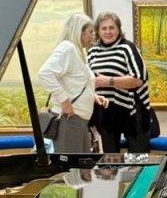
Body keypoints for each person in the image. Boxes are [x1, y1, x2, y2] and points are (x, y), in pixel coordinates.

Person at [38, 12, 107, 153]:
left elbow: (74, 82)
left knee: (81, 164)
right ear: (79, 31)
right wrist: (64, 101)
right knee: (71, 165)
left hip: (79, 121)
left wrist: (93, 96)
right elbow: (44, 73)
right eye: (90, 32)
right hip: (69, 120)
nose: (92, 36)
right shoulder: (67, 48)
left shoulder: (77, 52)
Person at [87, 11, 153, 152]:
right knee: (111, 159)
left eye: (112, 27)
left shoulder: (128, 48)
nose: (108, 32)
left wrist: (109, 81)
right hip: (106, 112)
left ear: (118, 29)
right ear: (98, 31)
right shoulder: (92, 52)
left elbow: (138, 79)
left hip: (132, 111)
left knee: (138, 158)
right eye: (104, 28)